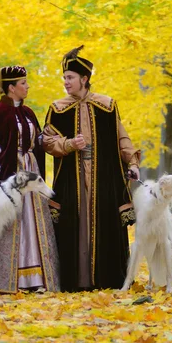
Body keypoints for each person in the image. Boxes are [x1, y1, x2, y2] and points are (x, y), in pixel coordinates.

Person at [43, 46, 140, 292]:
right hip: (71, 181)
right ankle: (75, 281)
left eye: (70, 78)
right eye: (64, 78)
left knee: (105, 223)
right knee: (73, 225)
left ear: (84, 79)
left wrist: (132, 163)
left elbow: (122, 138)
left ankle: (106, 279)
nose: (65, 82)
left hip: (104, 178)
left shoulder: (107, 106)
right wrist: (68, 144)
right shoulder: (58, 108)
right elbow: (47, 142)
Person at [0, 65, 60, 294]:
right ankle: (6, 280)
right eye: (23, 83)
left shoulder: (29, 113)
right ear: (11, 88)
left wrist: (48, 138)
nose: (27, 86)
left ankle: (36, 279)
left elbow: (36, 142)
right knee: (11, 222)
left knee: (33, 220)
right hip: (10, 176)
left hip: (30, 171)